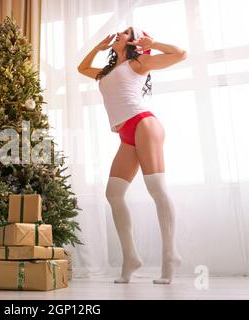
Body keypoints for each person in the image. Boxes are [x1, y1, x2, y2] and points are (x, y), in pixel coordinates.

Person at [77, 27, 188, 284]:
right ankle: (130, 258)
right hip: (125, 133)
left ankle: (170, 255)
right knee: (113, 194)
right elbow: (82, 69)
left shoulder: (139, 63)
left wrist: (154, 42)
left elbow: (181, 54)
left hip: (143, 124)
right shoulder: (106, 72)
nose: (119, 33)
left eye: (126, 32)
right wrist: (98, 48)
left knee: (156, 188)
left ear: (135, 41)